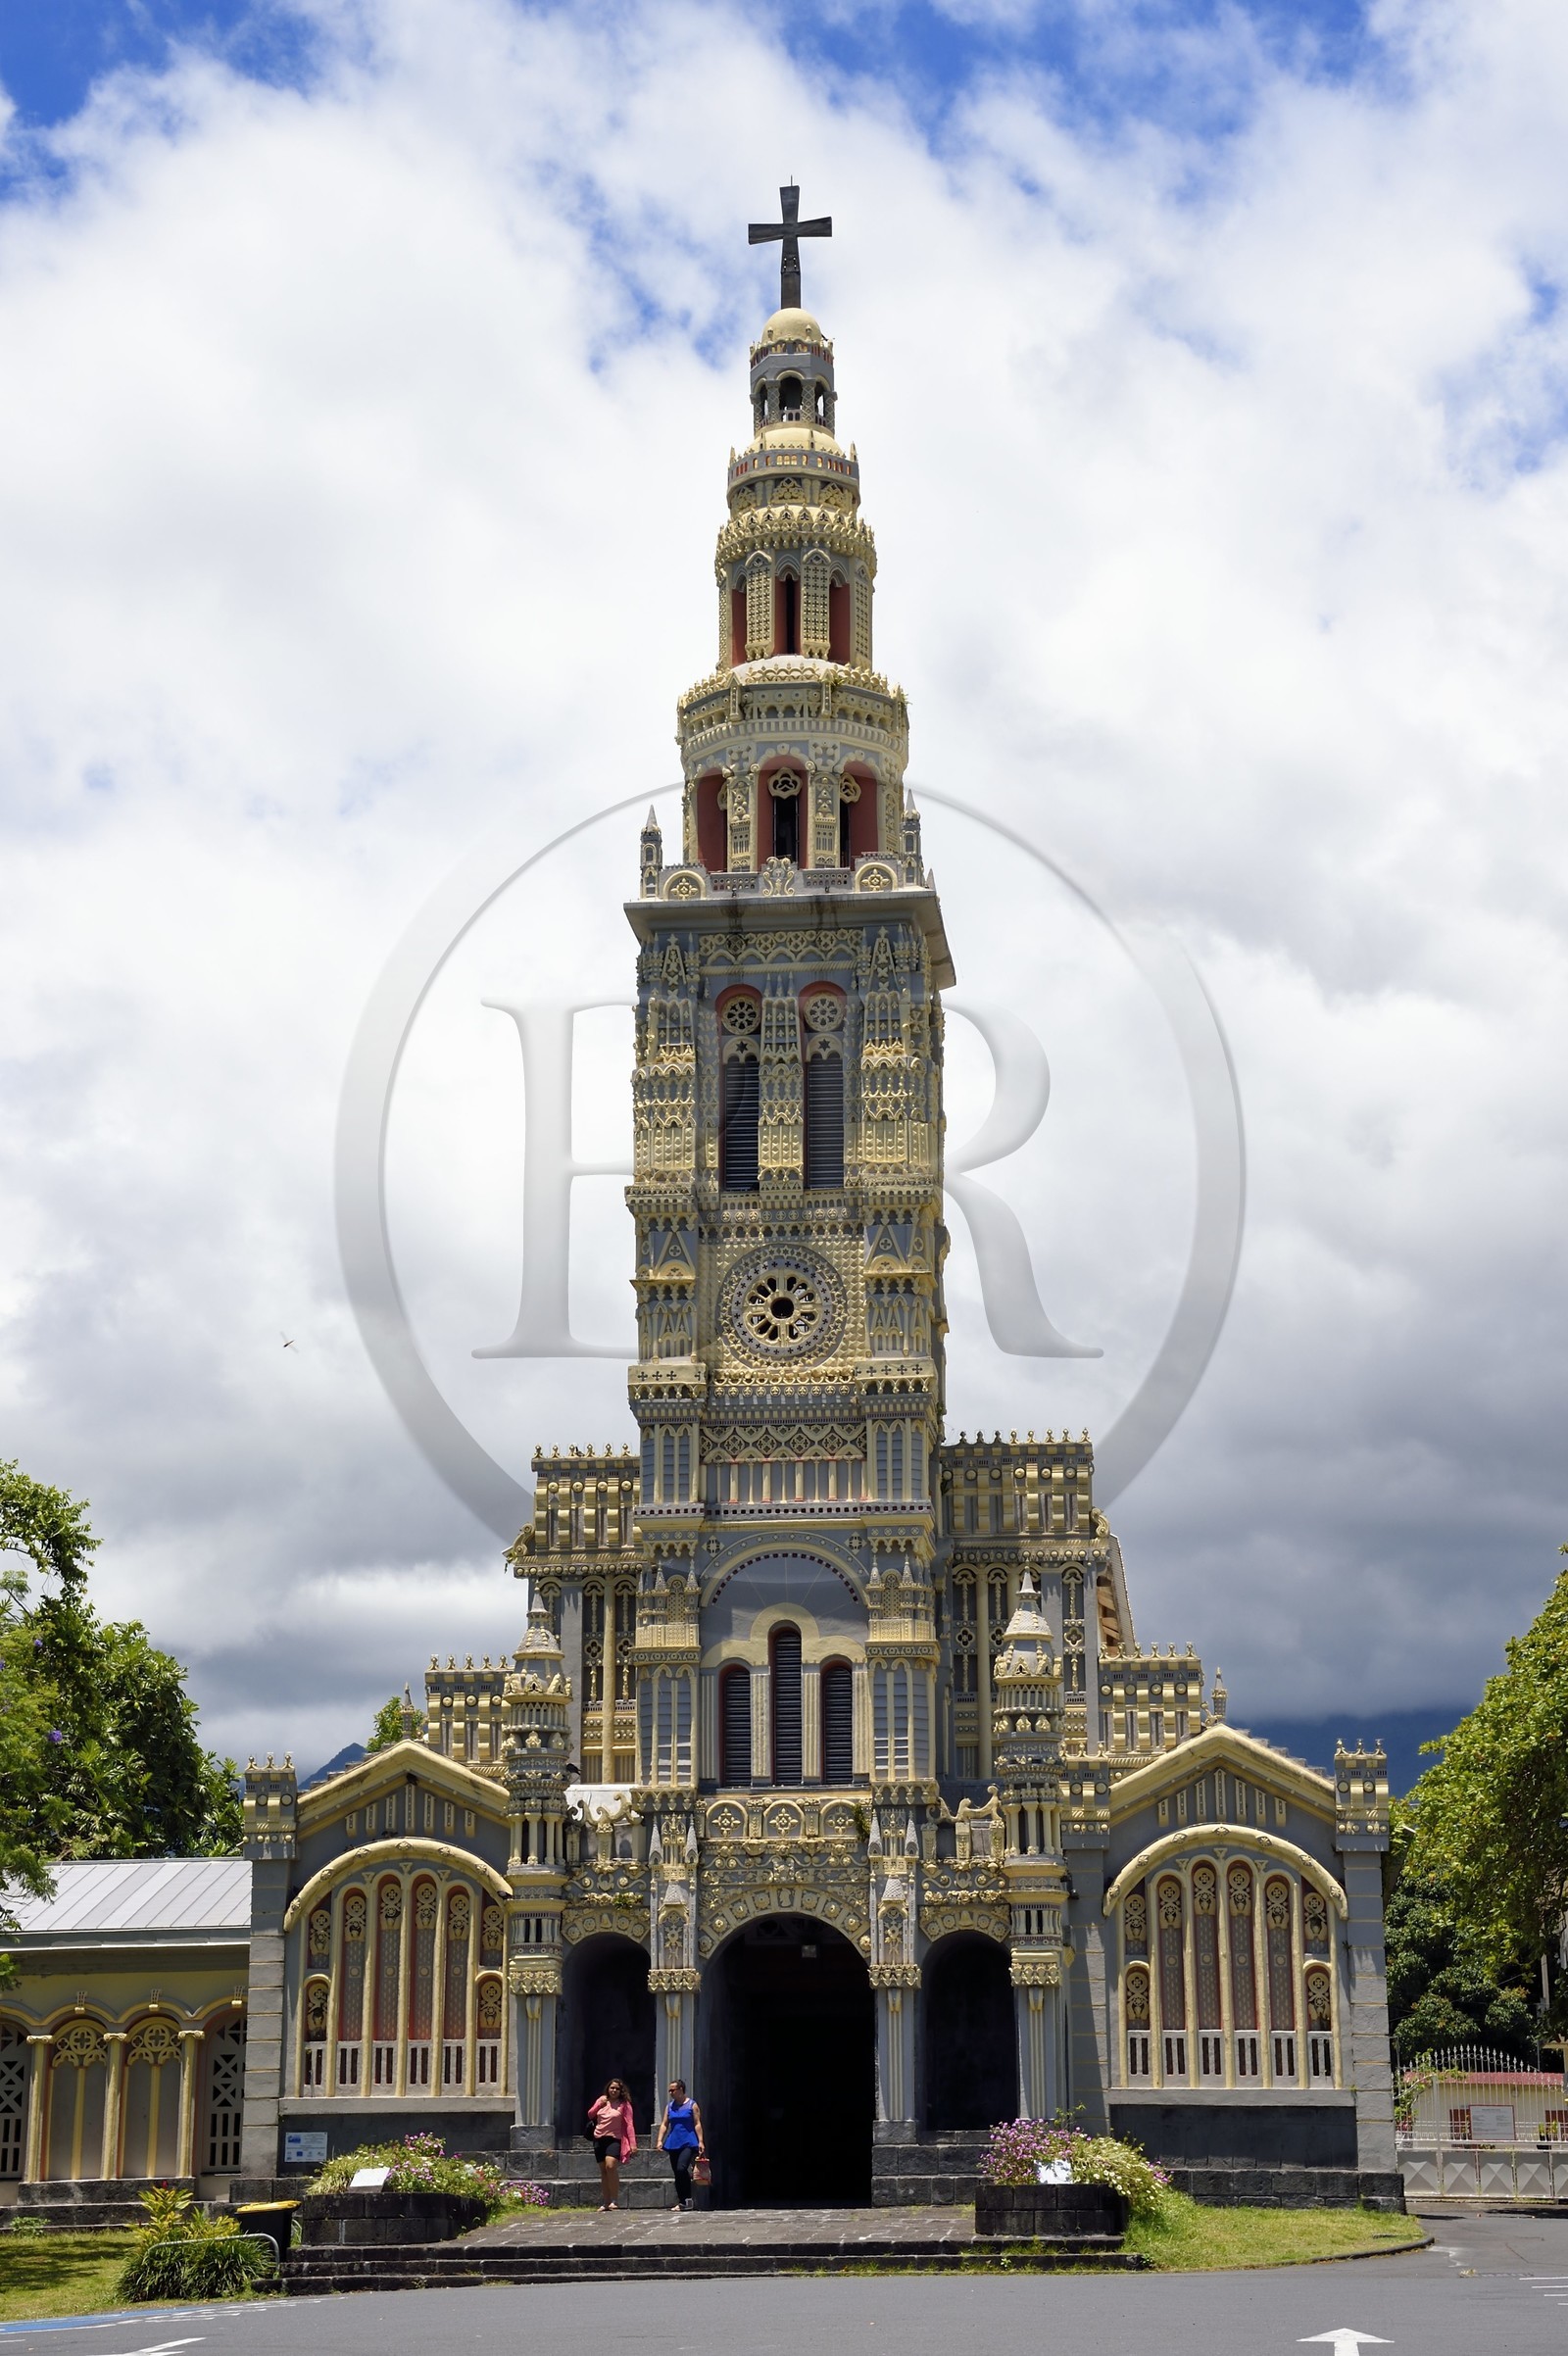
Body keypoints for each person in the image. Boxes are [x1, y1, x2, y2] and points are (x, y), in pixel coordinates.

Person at [655, 2078, 706, 2210]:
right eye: (669, 2090)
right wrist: (660, 2139)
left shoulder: (692, 2105)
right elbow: (665, 2124)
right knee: (677, 2173)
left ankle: (687, 2199)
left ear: (681, 2090)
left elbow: (697, 2123)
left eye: (673, 2090)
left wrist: (700, 2141)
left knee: (681, 2168)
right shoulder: (669, 2107)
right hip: (674, 2141)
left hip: (688, 2141)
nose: (671, 2093)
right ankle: (683, 2201)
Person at [587, 2077, 636, 2210]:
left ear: (621, 2091)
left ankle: (614, 2199)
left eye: (617, 2089)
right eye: (612, 2088)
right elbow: (590, 2114)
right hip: (599, 2138)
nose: (614, 2090)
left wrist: (633, 2143)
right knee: (603, 2170)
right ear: (608, 2089)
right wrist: (599, 2104)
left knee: (611, 2165)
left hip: (614, 2138)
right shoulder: (602, 2100)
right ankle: (606, 2202)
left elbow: (630, 2124)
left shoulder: (624, 2105)